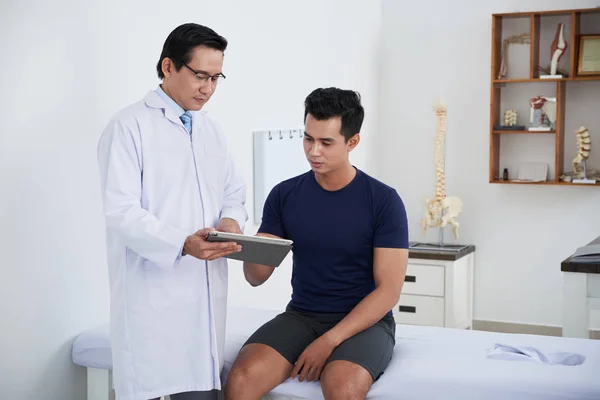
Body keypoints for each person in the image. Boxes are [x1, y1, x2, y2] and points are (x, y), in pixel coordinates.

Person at [224, 87, 409, 400]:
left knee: (342, 388)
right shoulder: (285, 195)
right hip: (302, 315)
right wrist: (240, 241)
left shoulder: (383, 201)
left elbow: (388, 291)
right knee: (240, 380)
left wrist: (330, 341)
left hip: (366, 323)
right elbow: (256, 278)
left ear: (352, 142)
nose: (313, 151)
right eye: (308, 138)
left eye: (326, 142)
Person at [97, 23, 247, 400]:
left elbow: (233, 191)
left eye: (216, 78)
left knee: (200, 389)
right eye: (200, 76)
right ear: (168, 66)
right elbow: (122, 211)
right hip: (152, 296)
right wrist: (181, 243)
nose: (208, 88)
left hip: (205, 295)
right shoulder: (128, 126)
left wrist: (230, 221)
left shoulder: (212, 130)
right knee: (153, 383)